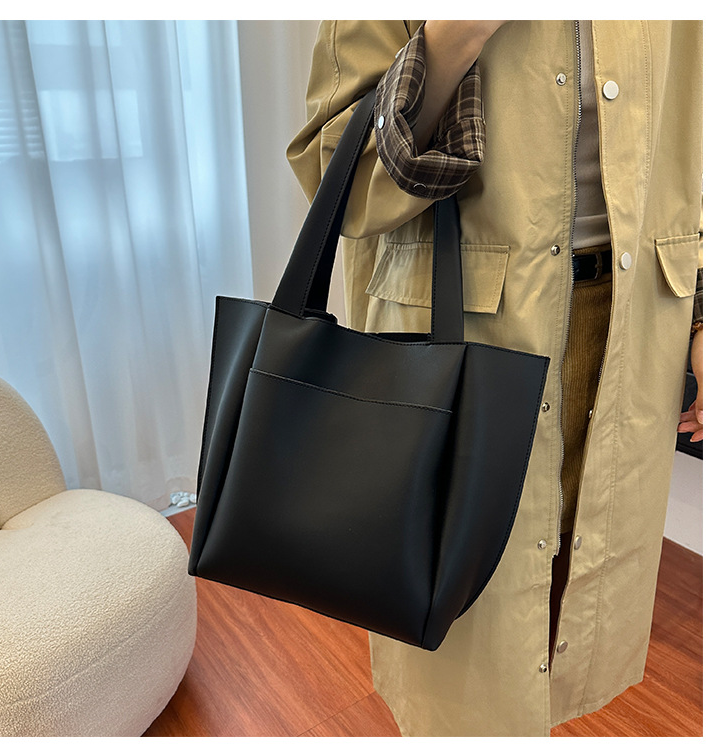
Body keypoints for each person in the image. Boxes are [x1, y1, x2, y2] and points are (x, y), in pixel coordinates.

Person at [286, 20, 703, 736]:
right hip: (462, 342)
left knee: (569, 611)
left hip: (632, 331)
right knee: (467, 658)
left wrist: (699, 321)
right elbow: (338, 176)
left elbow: (686, 153)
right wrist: (452, 39)